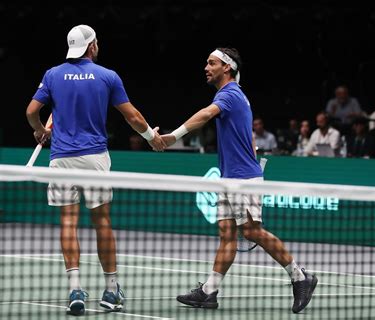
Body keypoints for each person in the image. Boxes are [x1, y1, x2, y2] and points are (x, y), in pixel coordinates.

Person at [160, 47, 317, 313]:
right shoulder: (235, 96)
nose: (206, 67)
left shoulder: (230, 94)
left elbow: (206, 114)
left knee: (252, 231)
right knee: (226, 236)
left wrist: (171, 137)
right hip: (230, 177)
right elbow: (250, 138)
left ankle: (300, 276)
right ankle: (209, 292)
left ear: (227, 68)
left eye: (211, 63)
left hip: (242, 179)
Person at [25, 24, 166, 316]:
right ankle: (111, 290)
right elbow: (133, 117)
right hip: (95, 159)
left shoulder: (53, 74)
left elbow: (30, 112)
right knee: (102, 223)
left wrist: (40, 131)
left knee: (68, 223)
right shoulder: (107, 76)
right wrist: (153, 138)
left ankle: (75, 288)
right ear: (92, 47)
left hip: (61, 159)